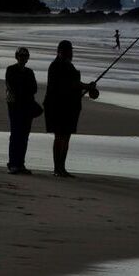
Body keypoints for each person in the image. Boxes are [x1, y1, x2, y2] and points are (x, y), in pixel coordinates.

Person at [43, 40, 96, 177]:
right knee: (60, 136)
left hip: (69, 107)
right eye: (67, 50)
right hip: (58, 107)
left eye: (70, 50)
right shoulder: (57, 66)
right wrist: (87, 86)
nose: (70, 53)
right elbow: (71, 84)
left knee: (66, 137)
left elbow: (73, 84)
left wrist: (86, 87)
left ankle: (62, 168)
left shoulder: (66, 65)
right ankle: (57, 169)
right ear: (59, 51)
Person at [6, 47, 38, 174]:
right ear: (16, 56)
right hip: (14, 107)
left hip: (27, 107)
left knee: (24, 136)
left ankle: (21, 164)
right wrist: (24, 90)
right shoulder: (11, 69)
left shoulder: (30, 72)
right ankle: (13, 164)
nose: (23, 57)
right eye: (21, 55)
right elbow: (11, 86)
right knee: (15, 135)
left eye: (25, 55)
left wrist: (23, 91)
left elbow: (34, 88)